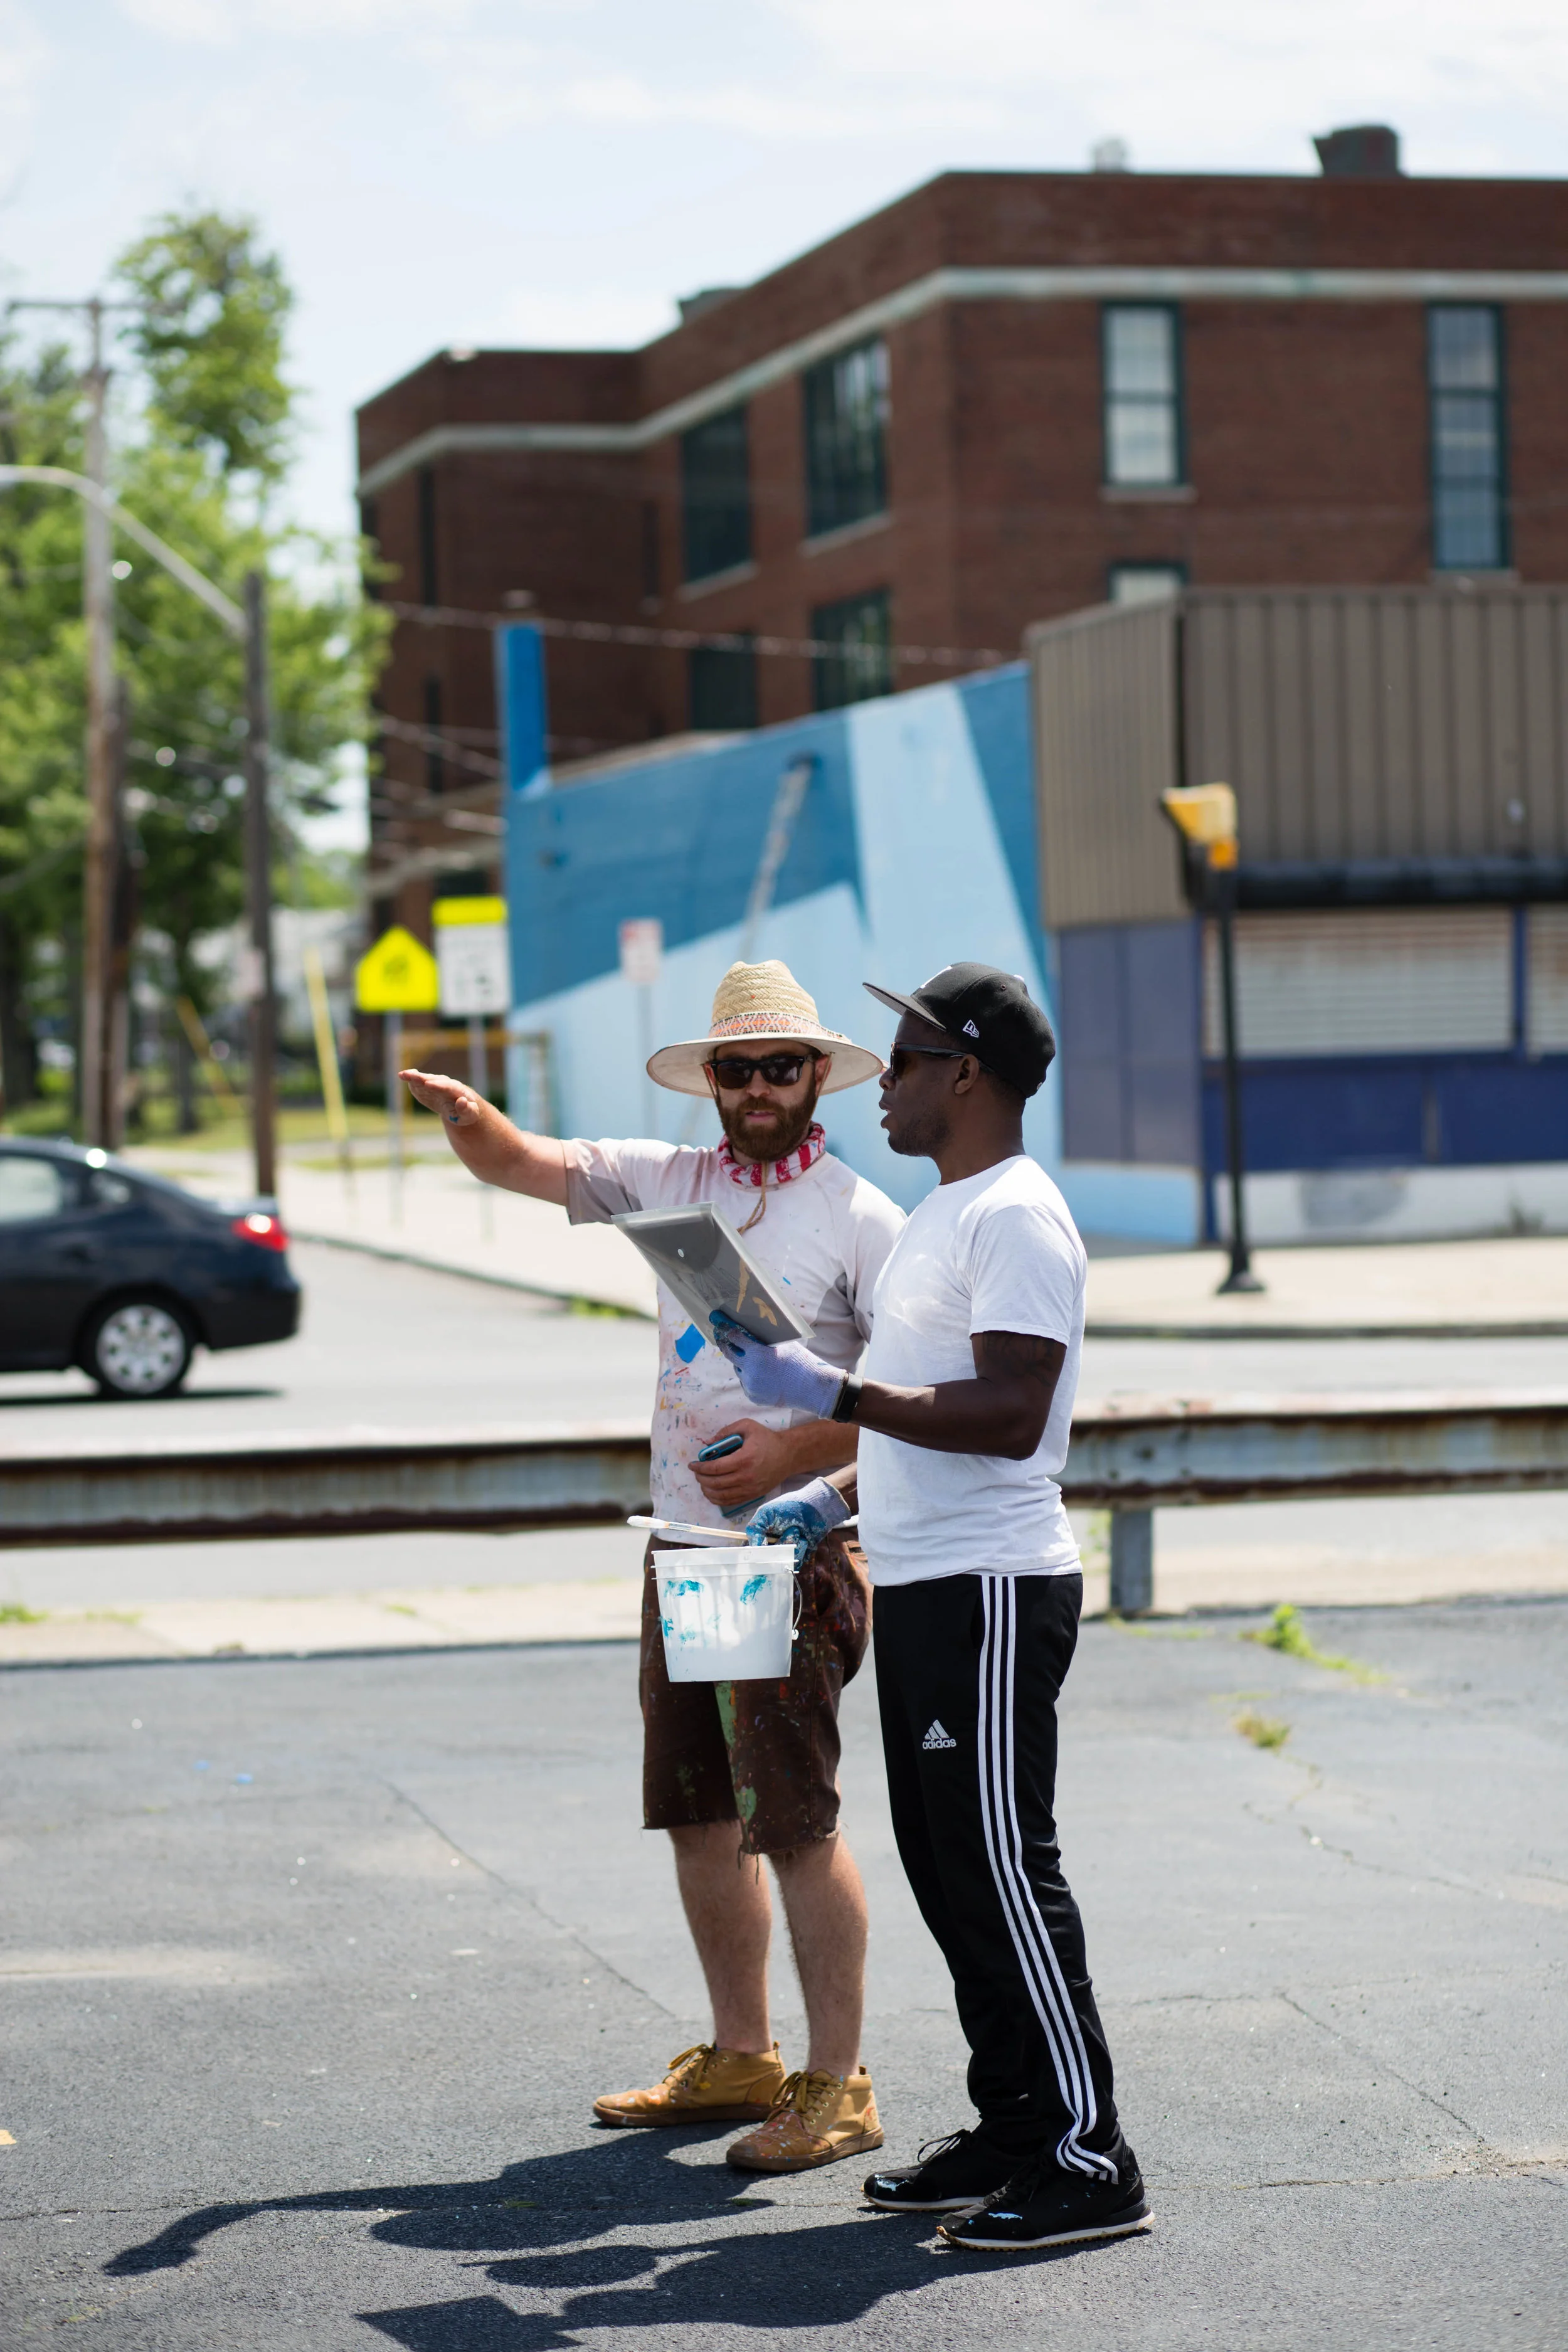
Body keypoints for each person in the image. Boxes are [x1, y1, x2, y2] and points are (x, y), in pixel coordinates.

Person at [400, 959, 903, 2175]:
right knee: (699, 1814)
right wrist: (476, 1127)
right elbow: (530, 1166)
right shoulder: (672, 1183)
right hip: (688, 1550)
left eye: (781, 1065)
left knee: (793, 1820)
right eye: (737, 1067)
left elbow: (910, 1400)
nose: (758, 1086)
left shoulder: (859, 1216)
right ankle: (743, 2057)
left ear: (817, 1074)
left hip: (789, 1554)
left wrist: (793, 1449)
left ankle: (838, 2087)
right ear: (714, 1080)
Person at [711, 961, 1150, 2253]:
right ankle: (1013, 2123)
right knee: (949, 1870)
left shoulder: (1015, 1214)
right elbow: (922, 1423)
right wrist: (837, 1498)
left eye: (900, 1060)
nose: (882, 1081)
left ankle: (1088, 2155)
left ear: (964, 1072)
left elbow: (1011, 1416)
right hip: (916, 1579)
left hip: (992, 1587)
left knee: (1007, 1870)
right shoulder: (941, 1216)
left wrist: (833, 1399)